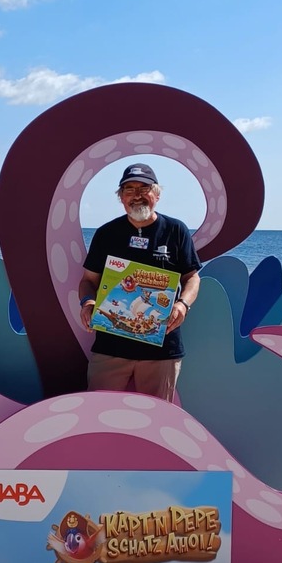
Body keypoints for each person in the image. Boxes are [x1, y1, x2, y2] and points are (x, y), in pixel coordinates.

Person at [79, 163, 201, 401]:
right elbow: (88, 280)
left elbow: (192, 278)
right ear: (121, 197)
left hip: (162, 348)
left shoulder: (176, 230)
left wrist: (182, 305)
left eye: (144, 188)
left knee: (157, 420)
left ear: (156, 194)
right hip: (110, 347)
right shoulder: (106, 233)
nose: (137, 195)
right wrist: (87, 302)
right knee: (97, 414)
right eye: (129, 189)